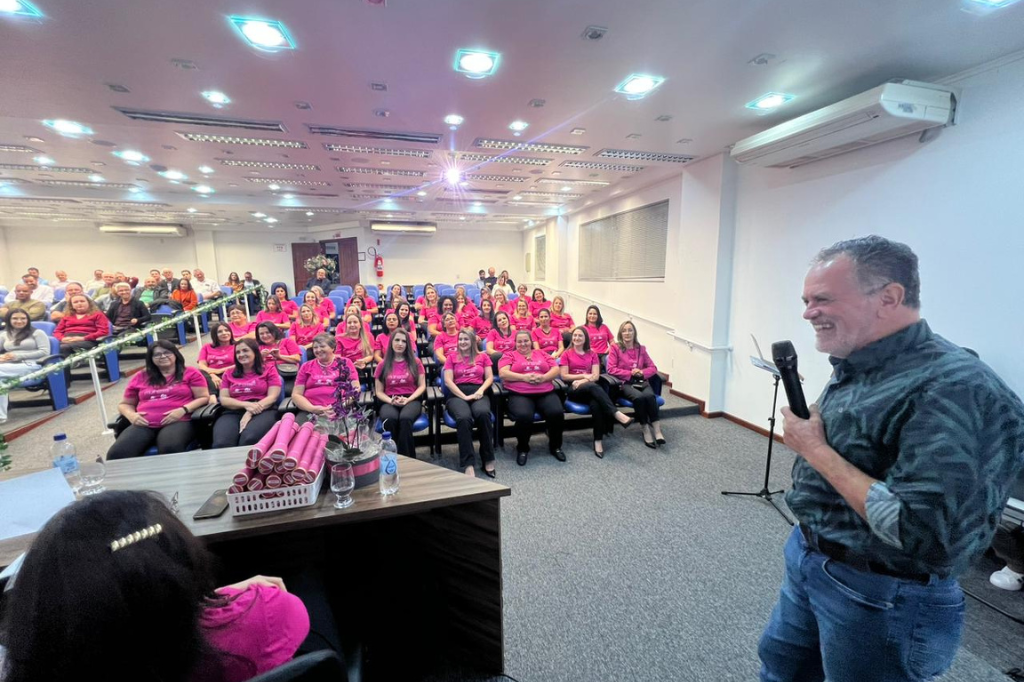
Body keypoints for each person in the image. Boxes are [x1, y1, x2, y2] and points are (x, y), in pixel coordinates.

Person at [757, 236, 1024, 682]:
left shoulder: (956, 387)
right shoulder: (861, 363)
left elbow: (923, 530)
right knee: (782, 669)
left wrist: (815, 450)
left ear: (889, 298)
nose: (807, 312)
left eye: (823, 299)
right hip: (812, 558)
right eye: (806, 300)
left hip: (882, 594)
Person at [0, 489, 312, 682]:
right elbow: (291, 610)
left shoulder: (47, 661)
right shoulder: (267, 610)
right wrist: (222, 597)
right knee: (306, 576)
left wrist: (209, 597)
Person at [107, 341, 210, 459]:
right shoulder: (141, 376)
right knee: (116, 454)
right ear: (151, 359)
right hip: (143, 423)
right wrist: (131, 415)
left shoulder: (190, 373)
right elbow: (125, 404)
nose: (163, 356)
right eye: (157, 354)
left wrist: (183, 410)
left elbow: (203, 397)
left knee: (169, 449)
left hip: (179, 421)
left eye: (167, 352)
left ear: (175, 354)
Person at [560, 326, 634, 458]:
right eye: (575, 335)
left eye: (580, 336)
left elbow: (595, 375)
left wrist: (584, 380)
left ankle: (598, 441)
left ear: (585, 339)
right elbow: (565, 376)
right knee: (594, 387)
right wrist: (584, 377)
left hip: (589, 388)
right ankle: (616, 413)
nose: (577, 338)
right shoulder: (566, 354)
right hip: (573, 389)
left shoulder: (592, 354)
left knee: (596, 405)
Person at [499, 330, 565, 466]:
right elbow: (503, 373)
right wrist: (524, 377)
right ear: (515, 343)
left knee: (557, 413)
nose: (523, 344)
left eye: (526, 341)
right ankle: (523, 449)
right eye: (520, 341)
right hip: (519, 393)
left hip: (544, 391)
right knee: (524, 416)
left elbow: (556, 369)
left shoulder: (541, 353)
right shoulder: (509, 355)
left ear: (531, 341)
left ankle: (555, 446)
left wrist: (543, 377)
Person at [211, 338, 281, 448]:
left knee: (249, 439)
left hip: (263, 409)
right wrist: (246, 405)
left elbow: (273, 396)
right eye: (238, 352)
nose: (241, 354)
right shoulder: (228, 373)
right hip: (233, 411)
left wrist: (250, 412)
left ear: (255, 352)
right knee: (222, 443)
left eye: (245, 350)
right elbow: (224, 399)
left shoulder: (269, 369)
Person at [444, 328, 495, 478]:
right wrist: (463, 396)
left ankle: (488, 457)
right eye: (460, 339)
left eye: (466, 339)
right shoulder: (451, 357)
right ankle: (468, 463)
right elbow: (447, 381)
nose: (462, 342)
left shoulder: (483, 357)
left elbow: (489, 378)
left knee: (483, 414)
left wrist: (480, 391)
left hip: (478, 391)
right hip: (457, 393)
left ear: (473, 340)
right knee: (464, 418)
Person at [607, 320, 664, 449]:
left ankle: (657, 430)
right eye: (624, 330)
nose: (627, 333)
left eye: (630, 330)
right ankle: (645, 429)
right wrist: (630, 373)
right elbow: (611, 369)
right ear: (620, 333)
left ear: (634, 333)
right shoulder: (615, 348)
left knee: (650, 397)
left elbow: (653, 367)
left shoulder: (641, 349)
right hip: (625, 383)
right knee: (639, 398)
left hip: (641, 381)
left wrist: (641, 372)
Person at [374, 328, 426, 458]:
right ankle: (391, 457)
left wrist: (408, 399)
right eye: (397, 340)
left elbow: (422, 386)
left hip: (411, 399)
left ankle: (407, 459)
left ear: (407, 344)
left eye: (404, 341)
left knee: (405, 419)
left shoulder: (416, 362)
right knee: (390, 419)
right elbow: (379, 392)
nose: (400, 343)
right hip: (389, 400)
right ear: (391, 342)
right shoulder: (382, 364)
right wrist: (390, 400)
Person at [291, 333, 360, 423]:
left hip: (340, 408)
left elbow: (356, 389)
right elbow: (296, 394)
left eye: (322, 346)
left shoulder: (345, 363)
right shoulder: (306, 366)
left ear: (332, 348)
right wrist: (313, 408)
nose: (318, 350)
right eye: (315, 347)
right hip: (310, 410)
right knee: (299, 432)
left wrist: (339, 406)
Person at [0, 310, 49, 423]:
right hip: (9, 366)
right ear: (9, 320)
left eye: (23, 318)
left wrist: (17, 356)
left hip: (33, 365)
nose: (19, 321)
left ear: (28, 320)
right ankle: (1, 417)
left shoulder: (37, 333)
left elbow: (45, 352)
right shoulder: (5, 334)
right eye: (15, 318)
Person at [199, 322, 235, 390]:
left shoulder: (238, 345)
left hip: (231, 373)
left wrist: (219, 371)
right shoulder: (207, 347)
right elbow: (202, 365)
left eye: (227, 330)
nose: (224, 333)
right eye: (220, 332)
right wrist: (212, 375)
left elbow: (241, 364)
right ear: (215, 335)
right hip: (210, 375)